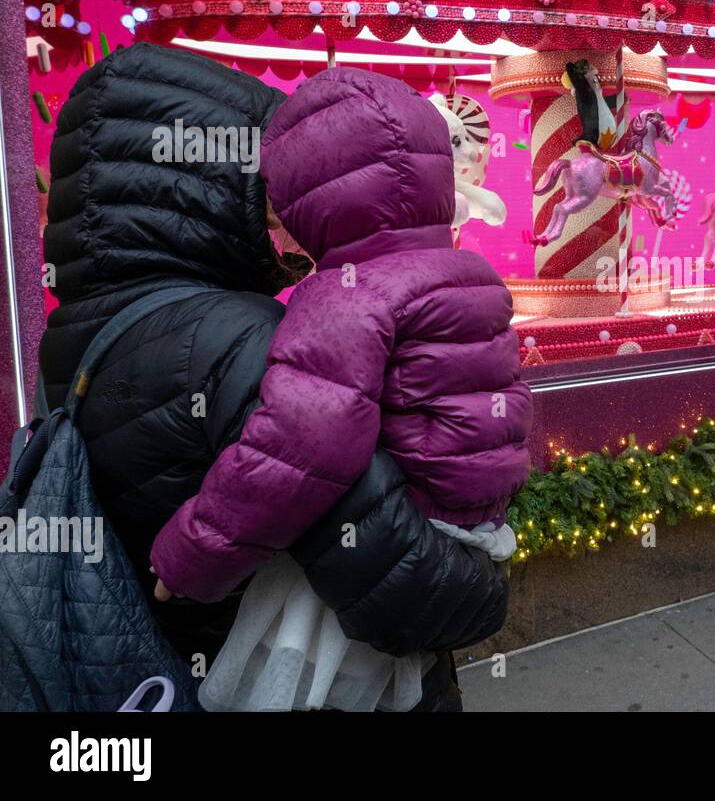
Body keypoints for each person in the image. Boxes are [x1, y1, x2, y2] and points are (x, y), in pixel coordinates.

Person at [39, 44, 503, 711]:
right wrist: (489, 580)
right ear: (218, 183)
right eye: (275, 188)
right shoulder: (238, 340)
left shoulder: (80, 334)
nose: (288, 217)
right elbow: (417, 591)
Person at [148, 66, 532, 711]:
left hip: (393, 535)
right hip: (470, 526)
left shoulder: (347, 293)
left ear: (309, 197)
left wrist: (195, 551)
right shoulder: (470, 271)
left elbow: (300, 445)